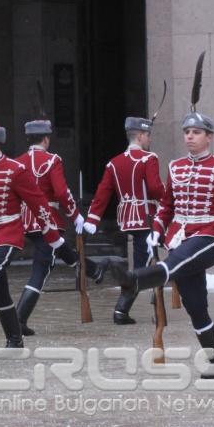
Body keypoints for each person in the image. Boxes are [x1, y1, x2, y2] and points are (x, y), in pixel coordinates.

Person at [112, 111, 214, 378]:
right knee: (195, 306)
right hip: (181, 235)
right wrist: (156, 230)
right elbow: (167, 205)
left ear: (209, 137)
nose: (190, 136)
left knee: (173, 264)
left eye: (197, 132)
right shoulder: (176, 167)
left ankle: (134, 280)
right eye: (187, 132)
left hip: (209, 236)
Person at [0, 121, 70, 348]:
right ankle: (15, 338)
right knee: (0, 291)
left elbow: (39, 205)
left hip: (7, 234)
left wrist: (53, 236)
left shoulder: (15, 170)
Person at [14, 119, 106, 336]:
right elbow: (62, 192)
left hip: (27, 220)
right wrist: (76, 216)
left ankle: (92, 269)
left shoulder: (18, 162)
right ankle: (18, 319)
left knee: (57, 249)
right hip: (49, 219)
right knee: (41, 269)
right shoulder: (52, 160)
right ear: (46, 139)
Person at [83, 117, 165, 324]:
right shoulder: (148, 159)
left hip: (127, 217)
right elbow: (155, 189)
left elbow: (103, 191)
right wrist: (168, 198)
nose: (149, 139)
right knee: (143, 267)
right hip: (146, 217)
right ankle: (121, 307)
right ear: (139, 135)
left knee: (146, 263)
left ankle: (127, 308)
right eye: (147, 135)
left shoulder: (115, 162)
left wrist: (93, 217)